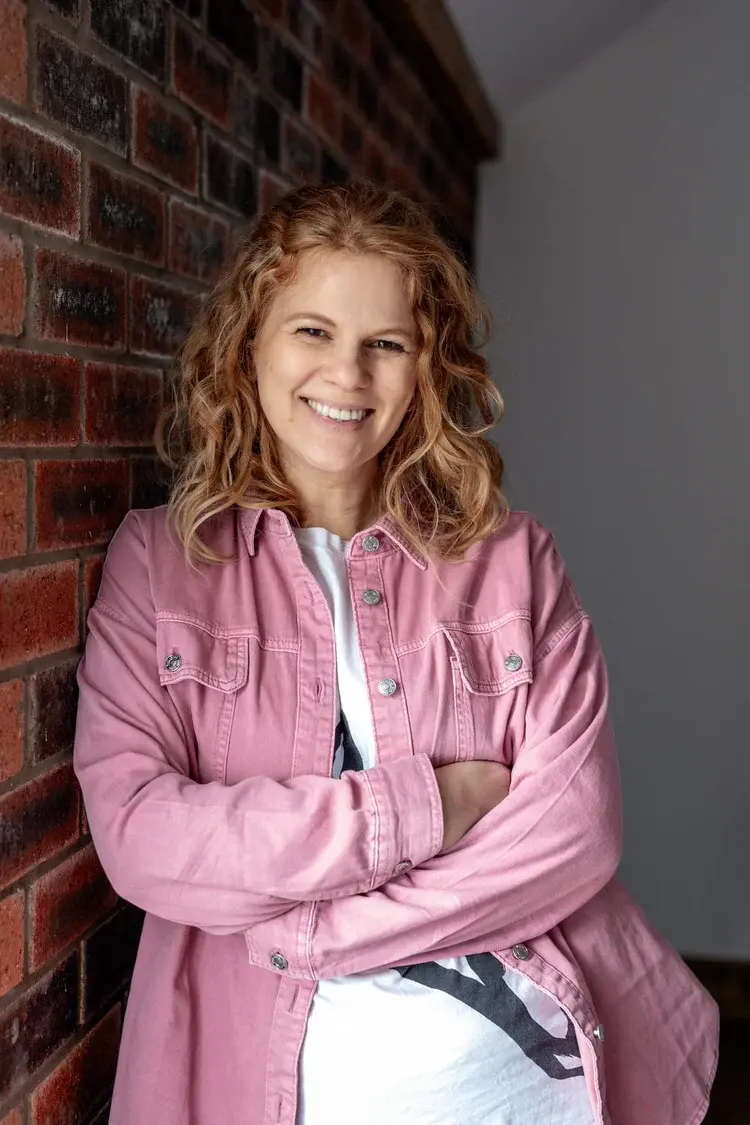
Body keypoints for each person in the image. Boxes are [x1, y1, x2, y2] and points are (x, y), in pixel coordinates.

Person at [74, 180, 718, 1125]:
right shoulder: (162, 566)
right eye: (312, 331)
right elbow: (144, 837)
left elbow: (574, 830)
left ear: (428, 367)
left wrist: (317, 930)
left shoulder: (512, 560)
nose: (348, 374)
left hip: (529, 1092)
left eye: (387, 343)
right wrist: (427, 804)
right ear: (248, 341)